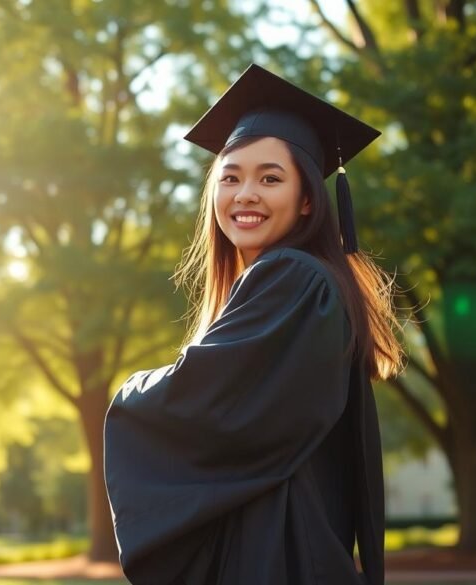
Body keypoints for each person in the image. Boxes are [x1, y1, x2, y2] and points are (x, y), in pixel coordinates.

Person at [102, 64, 406, 584]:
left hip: (276, 558)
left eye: (270, 178)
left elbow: (204, 406)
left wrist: (131, 392)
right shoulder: (307, 283)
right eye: (231, 177)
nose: (245, 194)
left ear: (307, 197)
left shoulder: (294, 279)